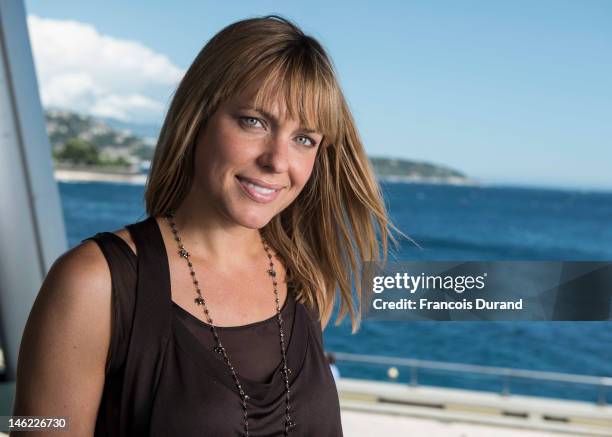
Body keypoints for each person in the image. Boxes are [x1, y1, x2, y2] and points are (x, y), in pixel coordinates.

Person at [11, 15, 400, 437]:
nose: (277, 160)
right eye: (255, 121)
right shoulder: (93, 282)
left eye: (303, 139)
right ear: (198, 117)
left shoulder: (305, 282)